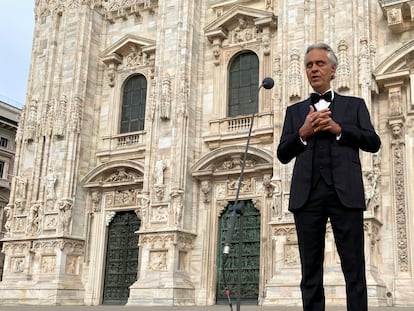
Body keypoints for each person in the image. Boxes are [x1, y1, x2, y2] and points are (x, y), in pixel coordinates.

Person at [277, 43, 381, 311]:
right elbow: (282, 154)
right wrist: (303, 132)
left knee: (354, 268)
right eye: (309, 65)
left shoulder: (354, 105)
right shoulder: (295, 112)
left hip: (345, 193)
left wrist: (338, 129)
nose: (314, 69)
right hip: (307, 196)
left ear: (333, 69)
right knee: (310, 271)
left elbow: (373, 142)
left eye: (320, 64)